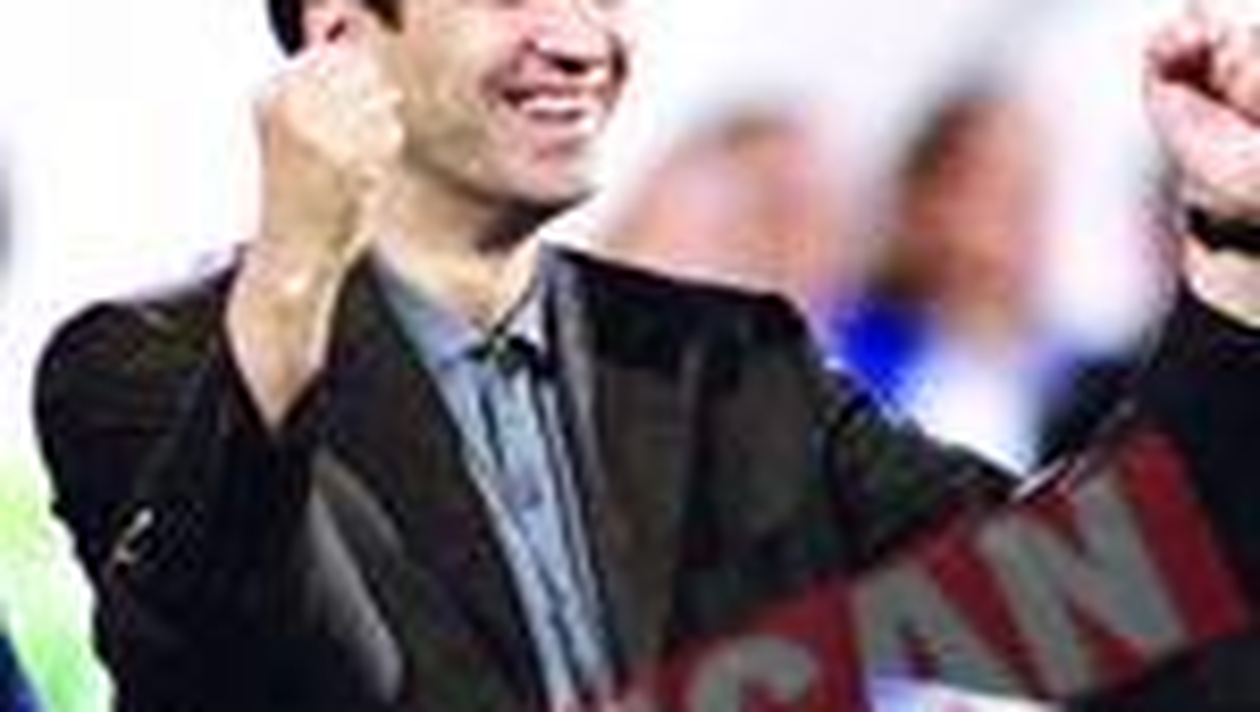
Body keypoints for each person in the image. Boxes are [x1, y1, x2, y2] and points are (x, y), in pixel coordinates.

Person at [31, 0, 1259, 711]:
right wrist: (295, 265)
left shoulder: (732, 368)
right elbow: (233, 650)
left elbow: (1106, 601)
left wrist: (1232, 238)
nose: (584, 37)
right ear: (344, 37)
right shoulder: (146, 363)